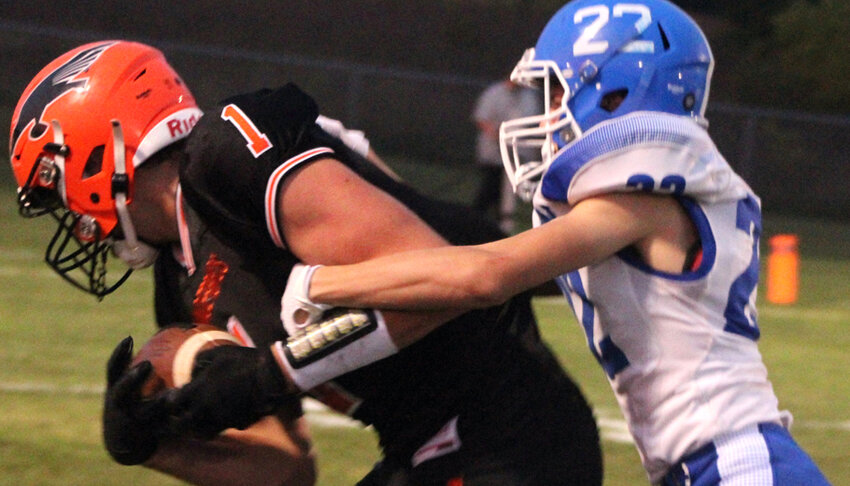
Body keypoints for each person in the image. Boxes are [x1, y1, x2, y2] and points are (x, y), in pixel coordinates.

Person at [274, 1, 835, 484]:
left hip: (739, 464)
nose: (541, 114)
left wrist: (319, 282)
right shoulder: (639, 209)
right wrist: (362, 162)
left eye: (555, 90)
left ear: (615, 93)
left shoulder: (640, 203)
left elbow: (484, 275)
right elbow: (465, 253)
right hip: (714, 463)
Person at [8, 40, 602, 485]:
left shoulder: (229, 156)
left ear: (97, 154)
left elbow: (437, 278)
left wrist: (270, 372)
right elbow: (288, 469)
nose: (72, 221)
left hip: (510, 426)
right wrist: (154, 445)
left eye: (55, 189)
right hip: (422, 447)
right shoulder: (179, 284)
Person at [471, 79, 538, 233]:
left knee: (507, 195)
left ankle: (498, 225)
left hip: (516, 154)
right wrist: (497, 136)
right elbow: (481, 118)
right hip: (493, 154)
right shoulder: (495, 92)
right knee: (490, 190)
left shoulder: (528, 96)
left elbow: (529, 120)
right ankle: (478, 221)